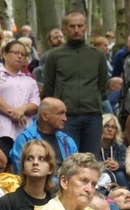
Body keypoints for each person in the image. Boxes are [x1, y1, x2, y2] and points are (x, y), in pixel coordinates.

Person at [42, 12, 108, 156]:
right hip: (65, 117)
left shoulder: (97, 55)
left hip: (92, 116)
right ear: (65, 28)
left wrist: (94, 98)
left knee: (91, 160)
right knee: (68, 159)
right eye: (72, 26)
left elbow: (103, 85)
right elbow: (49, 87)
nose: (76, 30)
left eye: (80, 26)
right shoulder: (54, 55)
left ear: (86, 27)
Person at [0, 40, 40, 163]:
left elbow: (35, 105)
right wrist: (14, 113)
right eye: (16, 52)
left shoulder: (30, 81)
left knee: (20, 170)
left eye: (23, 54)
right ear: (4, 54)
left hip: (23, 133)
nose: (20, 56)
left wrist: (22, 109)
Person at [10, 97, 77, 169]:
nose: (65, 119)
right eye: (60, 114)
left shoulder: (67, 141)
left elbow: (75, 171)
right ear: (44, 116)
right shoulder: (25, 139)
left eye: (65, 114)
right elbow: (21, 171)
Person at [98, 114, 128, 189]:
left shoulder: (119, 146)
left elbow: (127, 162)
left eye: (113, 127)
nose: (110, 129)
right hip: (98, 175)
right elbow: (88, 162)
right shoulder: (93, 144)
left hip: (116, 176)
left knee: (120, 174)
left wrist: (118, 165)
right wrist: (101, 165)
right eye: (106, 126)